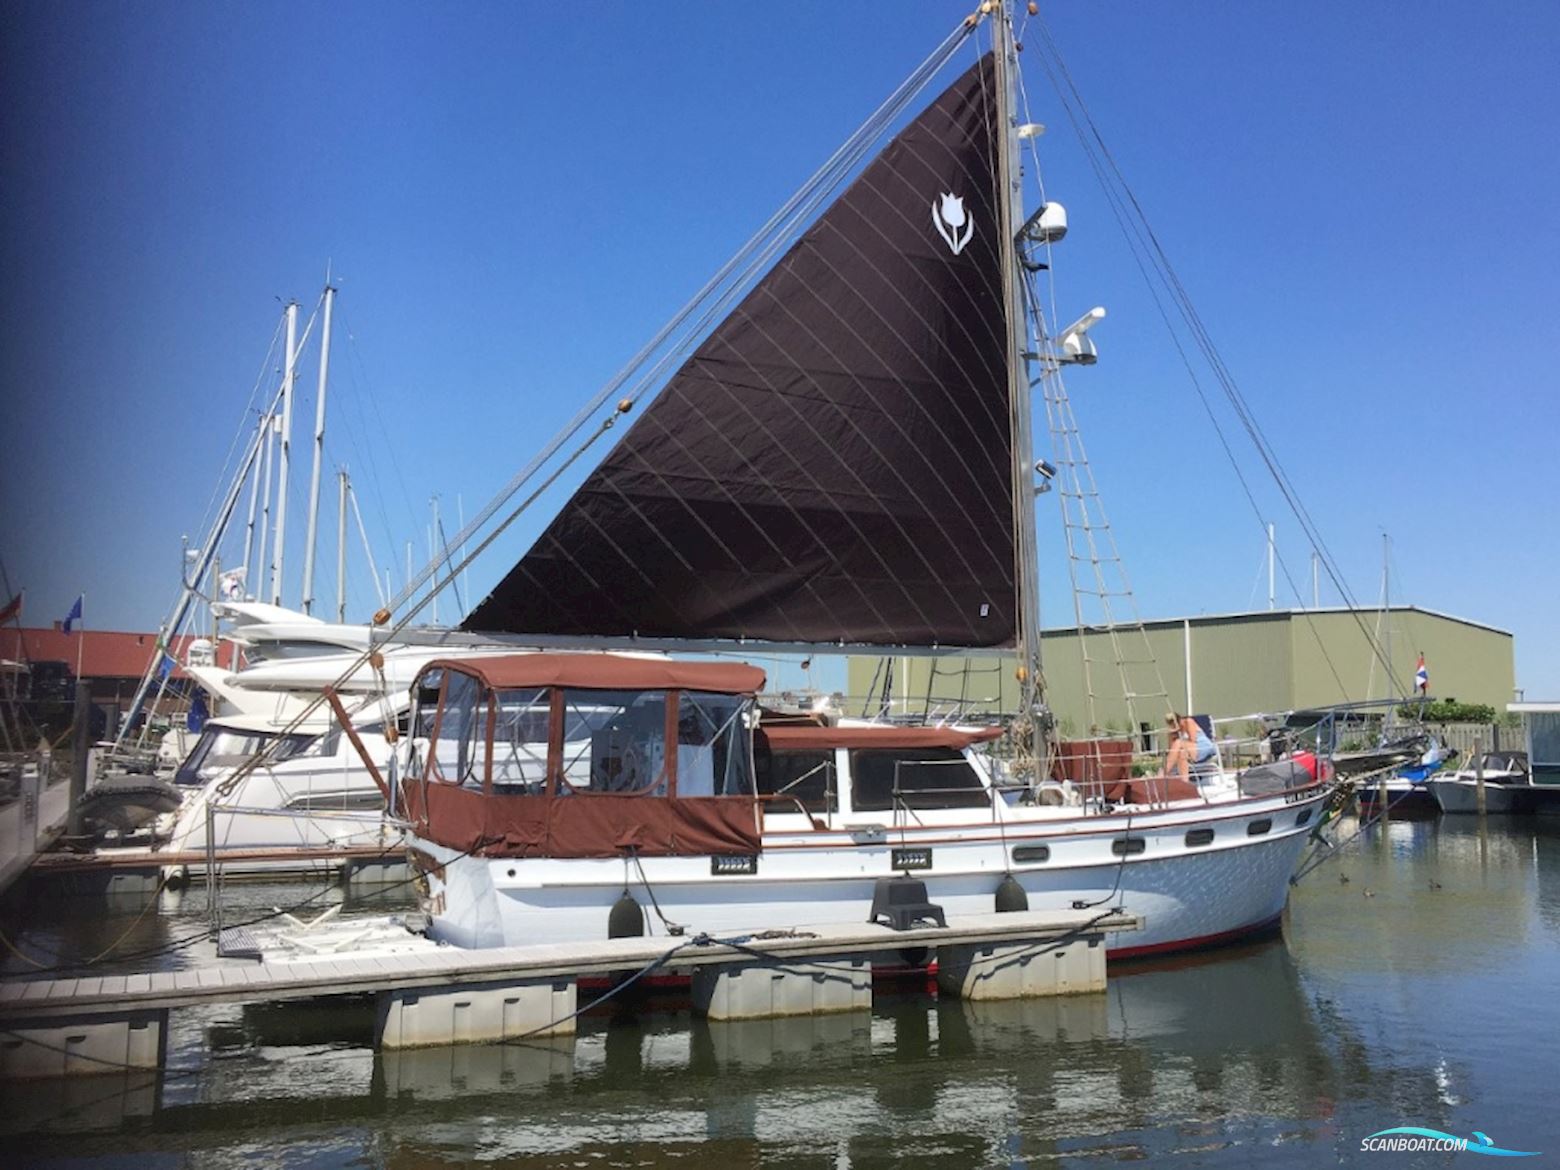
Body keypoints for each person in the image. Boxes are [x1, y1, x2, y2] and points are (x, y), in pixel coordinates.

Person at [1164, 712, 1217, 782]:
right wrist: (1171, 736)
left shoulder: (1188, 722)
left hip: (1202, 747)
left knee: (1178, 743)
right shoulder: (1177, 731)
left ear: (1179, 719)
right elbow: (1172, 750)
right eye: (1170, 724)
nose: (1173, 726)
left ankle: (1163, 773)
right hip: (1190, 751)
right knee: (1181, 753)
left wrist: (1179, 740)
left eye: (1174, 723)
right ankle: (1185, 782)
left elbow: (1193, 740)